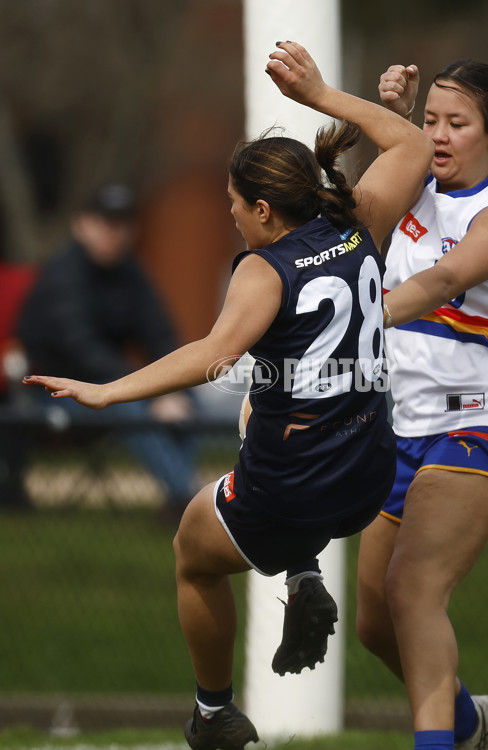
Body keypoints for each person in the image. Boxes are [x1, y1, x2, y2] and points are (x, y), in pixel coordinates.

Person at [23, 42, 434, 750]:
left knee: (192, 548)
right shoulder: (358, 218)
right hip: (370, 473)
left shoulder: (264, 269)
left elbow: (213, 355)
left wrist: (108, 391)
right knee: (259, 403)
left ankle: (212, 715)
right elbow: (409, 139)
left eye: (235, 206)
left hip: (297, 488)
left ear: (267, 209)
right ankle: (303, 570)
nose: (233, 218)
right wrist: (320, 95)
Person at [352, 59, 488, 750]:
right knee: (376, 622)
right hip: (404, 431)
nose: (438, 136)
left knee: (413, 588)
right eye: (429, 121)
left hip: (483, 425)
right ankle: (466, 722)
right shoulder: (413, 189)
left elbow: (440, 280)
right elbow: (350, 215)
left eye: (456, 124)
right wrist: (391, 125)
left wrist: (358, 316)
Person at [17, 184, 200, 520]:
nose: (113, 233)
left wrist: (173, 385)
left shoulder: (131, 272)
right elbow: (81, 349)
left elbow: (160, 336)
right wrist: (144, 389)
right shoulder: (63, 274)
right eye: (105, 223)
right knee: (134, 407)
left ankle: (184, 501)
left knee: (188, 396)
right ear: (81, 225)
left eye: (122, 224)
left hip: (107, 388)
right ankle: (187, 503)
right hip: (52, 395)